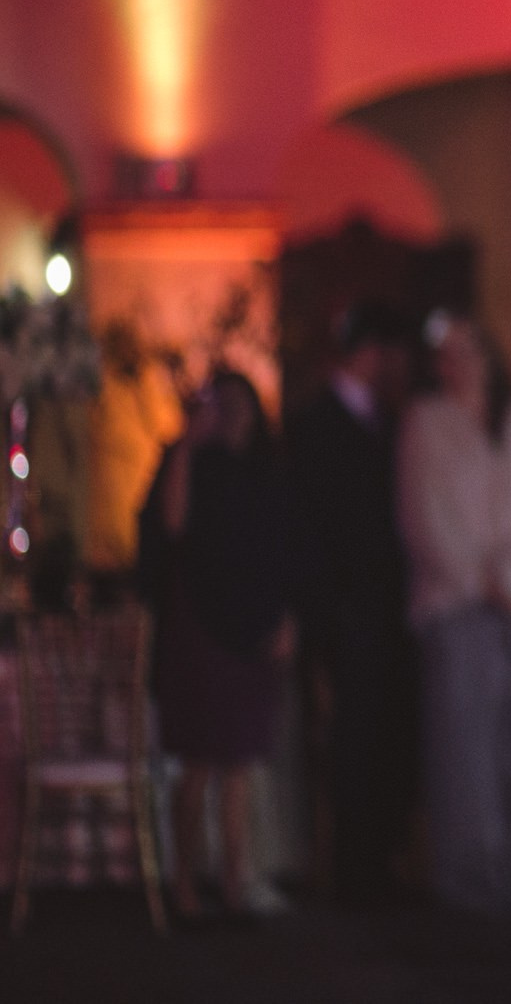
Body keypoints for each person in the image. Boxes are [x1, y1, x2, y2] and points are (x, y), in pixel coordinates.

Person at [398, 312, 511, 913]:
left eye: (468, 350)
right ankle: (471, 877)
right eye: (446, 355)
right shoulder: (426, 425)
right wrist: (477, 580)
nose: (458, 364)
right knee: (463, 746)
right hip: (456, 606)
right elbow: (424, 517)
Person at [138, 370, 295, 920]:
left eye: (240, 405)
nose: (233, 417)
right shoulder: (190, 463)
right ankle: (183, 881)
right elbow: (172, 524)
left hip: (253, 626)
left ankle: (234, 879)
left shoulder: (266, 473)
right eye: (222, 406)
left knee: (240, 763)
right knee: (198, 760)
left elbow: (283, 551)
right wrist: (187, 443)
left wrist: (285, 617)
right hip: (199, 624)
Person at [286, 301, 416, 905]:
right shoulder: (316, 424)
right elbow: (306, 527)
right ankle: (352, 866)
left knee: (385, 732)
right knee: (352, 737)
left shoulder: (386, 420)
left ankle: (379, 859)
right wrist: (325, 609)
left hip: (387, 606)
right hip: (346, 608)